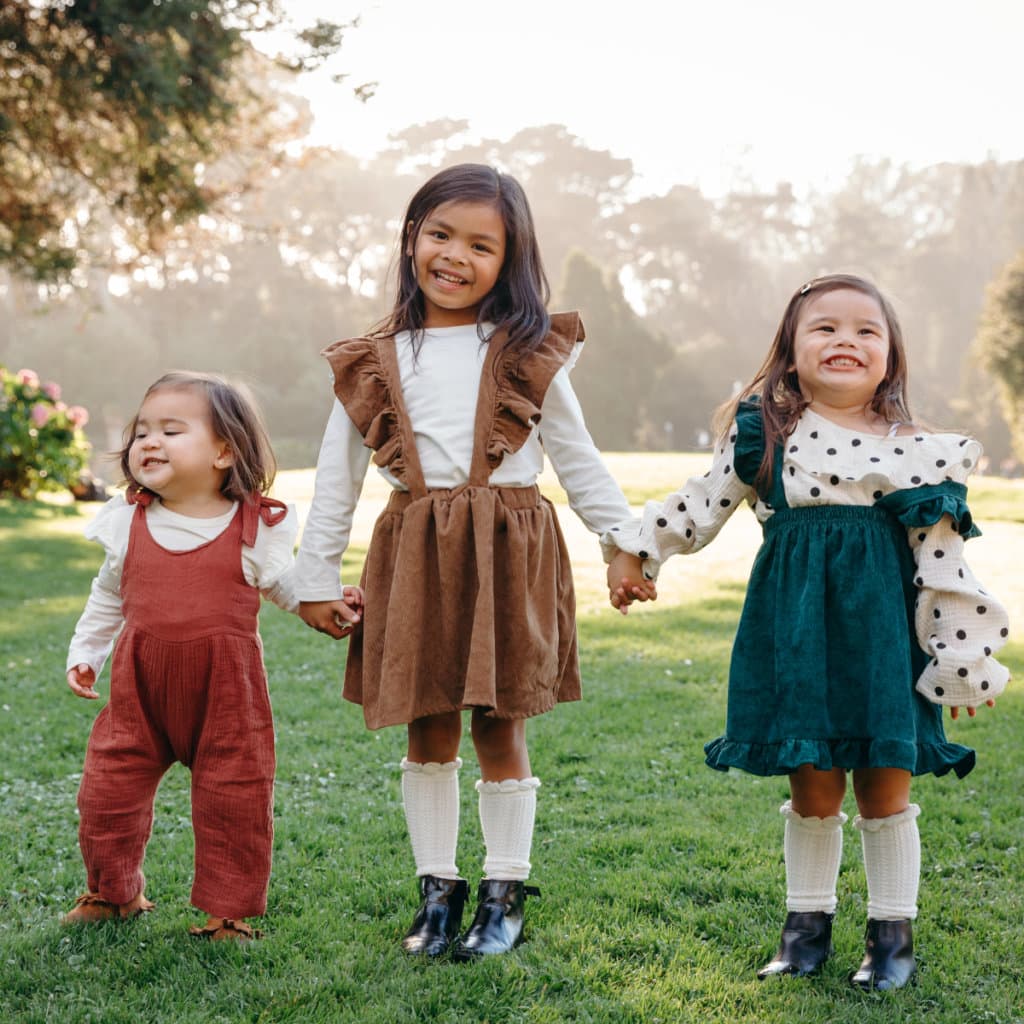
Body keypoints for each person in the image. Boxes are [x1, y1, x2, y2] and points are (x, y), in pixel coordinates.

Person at [604, 274, 1011, 990]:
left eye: (865, 330)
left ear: (890, 357)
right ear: (791, 352)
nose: (845, 340)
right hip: (796, 635)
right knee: (813, 786)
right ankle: (804, 932)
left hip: (884, 641)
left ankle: (892, 939)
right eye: (824, 328)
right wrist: (638, 551)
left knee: (884, 785)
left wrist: (964, 655)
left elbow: (943, 563)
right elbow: (700, 506)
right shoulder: (766, 434)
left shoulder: (920, 453)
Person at [294, 163, 650, 960]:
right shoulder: (374, 360)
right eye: (440, 234)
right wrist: (314, 582)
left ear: (510, 258)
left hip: (507, 551)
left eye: (480, 244)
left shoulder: (526, 351)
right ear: (412, 238)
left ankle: (504, 892)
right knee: (426, 727)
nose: (455, 256)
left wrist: (624, 545)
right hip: (413, 552)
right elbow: (335, 481)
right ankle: (437, 891)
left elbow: (578, 458)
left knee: (500, 723)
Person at [63, 371, 298, 941]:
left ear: (224, 450)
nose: (149, 441)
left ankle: (228, 914)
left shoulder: (253, 527)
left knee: (234, 802)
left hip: (226, 700)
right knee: (106, 793)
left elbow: (287, 584)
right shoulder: (129, 520)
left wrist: (328, 605)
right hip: (139, 697)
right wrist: (87, 650)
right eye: (142, 431)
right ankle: (115, 892)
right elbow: (107, 594)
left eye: (171, 429)